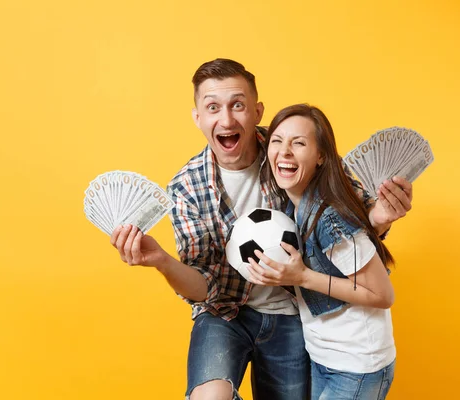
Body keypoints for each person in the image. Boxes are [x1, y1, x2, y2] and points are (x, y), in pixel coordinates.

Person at [109, 59, 413, 400]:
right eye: (212, 108)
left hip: (292, 315)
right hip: (225, 314)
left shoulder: (294, 151)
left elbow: (348, 216)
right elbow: (202, 287)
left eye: (237, 105)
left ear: (257, 111)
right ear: (198, 118)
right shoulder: (186, 188)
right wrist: (163, 261)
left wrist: (381, 217)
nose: (226, 120)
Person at [245, 104, 400, 400]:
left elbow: (383, 295)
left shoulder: (330, 218)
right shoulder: (292, 209)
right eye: (277, 141)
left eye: (299, 143)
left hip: (357, 365)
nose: (285, 151)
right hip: (324, 358)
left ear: (321, 157)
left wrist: (302, 276)